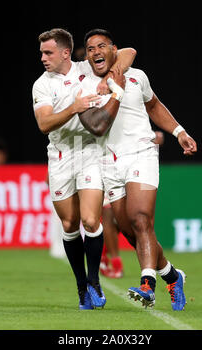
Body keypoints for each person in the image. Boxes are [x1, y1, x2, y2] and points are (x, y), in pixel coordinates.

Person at [78, 29, 197, 311]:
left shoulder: (136, 76)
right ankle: (171, 275)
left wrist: (179, 131)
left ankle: (148, 286)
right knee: (131, 232)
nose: (96, 51)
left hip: (142, 154)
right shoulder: (84, 87)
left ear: (113, 50)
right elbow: (97, 126)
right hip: (110, 162)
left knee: (141, 218)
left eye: (101, 46)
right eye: (90, 48)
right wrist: (113, 89)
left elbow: (153, 104)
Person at [32, 28, 136, 310]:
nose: (43, 57)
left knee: (91, 220)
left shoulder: (88, 69)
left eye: (48, 52)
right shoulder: (41, 85)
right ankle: (81, 287)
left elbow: (128, 52)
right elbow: (44, 124)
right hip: (61, 155)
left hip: (90, 151)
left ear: (66, 52)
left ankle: (93, 281)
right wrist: (74, 108)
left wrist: (111, 78)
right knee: (69, 224)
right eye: (42, 52)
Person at [100, 131, 165, 279]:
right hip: (109, 165)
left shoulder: (136, 114)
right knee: (114, 220)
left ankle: (165, 274)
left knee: (140, 224)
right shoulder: (102, 113)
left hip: (139, 167)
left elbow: (158, 135)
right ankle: (111, 261)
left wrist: (176, 132)